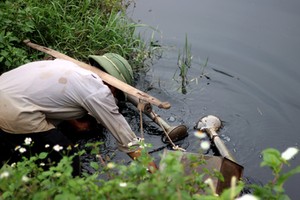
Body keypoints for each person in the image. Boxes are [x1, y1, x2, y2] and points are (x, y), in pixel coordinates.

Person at [0, 53, 157, 176]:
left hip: (5, 89)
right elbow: (130, 143)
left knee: (16, 150)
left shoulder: (68, 65)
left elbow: (54, 98)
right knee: (68, 159)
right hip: (14, 110)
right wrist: (160, 178)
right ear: (114, 87)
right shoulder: (99, 93)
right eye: (117, 95)